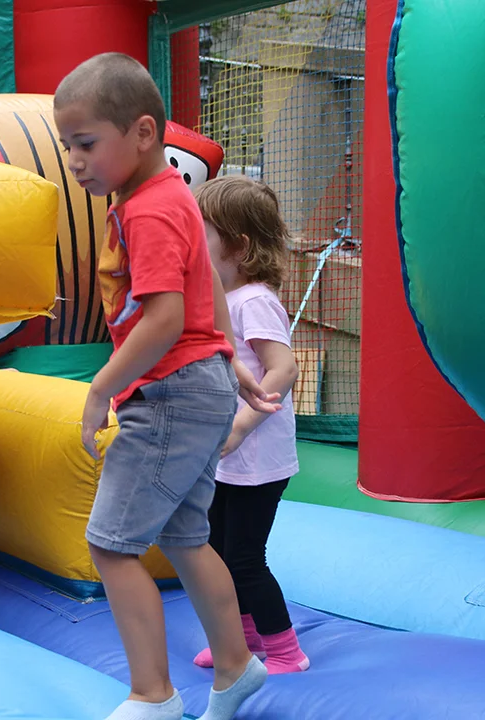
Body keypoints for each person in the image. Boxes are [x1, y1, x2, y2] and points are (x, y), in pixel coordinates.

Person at [53, 52, 275, 720]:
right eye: (68, 146)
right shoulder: (170, 196)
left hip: (170, 393)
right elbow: (203, 293)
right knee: (184, 536)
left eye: (86, 143)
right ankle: (235, 667)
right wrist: (227, 362)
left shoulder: (148, 210)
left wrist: (101, 389)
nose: (75, 161)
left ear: (143, 132)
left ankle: (153, 694)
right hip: (198, 382)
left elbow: (165, 318)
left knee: (111, 544)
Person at [190, 177, 309, 675]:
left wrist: (241, 426)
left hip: (258, 459)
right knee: (219, 552)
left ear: (238, 247)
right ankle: (244, 640)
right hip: (227, 455)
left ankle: (286, 651)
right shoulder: (223, 298)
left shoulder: (254, 300)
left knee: (244, 558)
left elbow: (284, 368)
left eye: (202, 234)